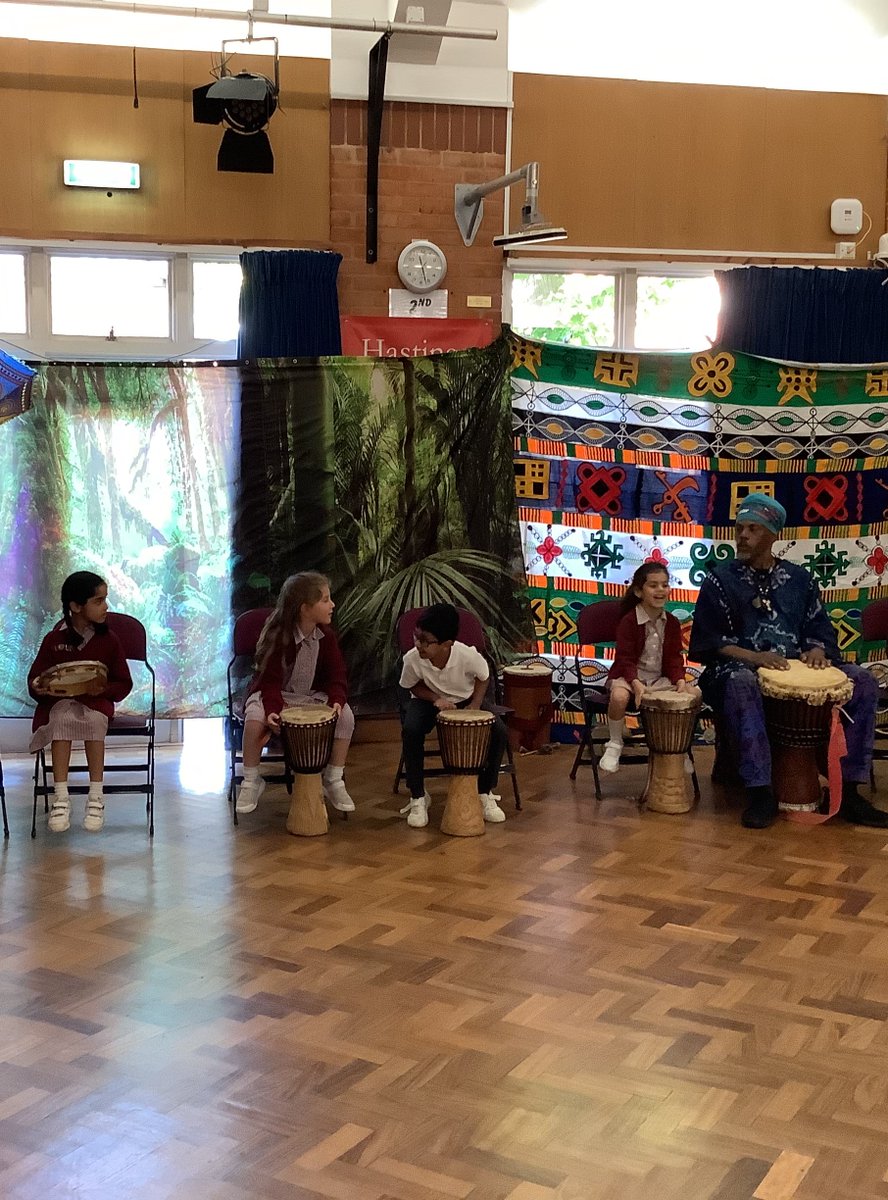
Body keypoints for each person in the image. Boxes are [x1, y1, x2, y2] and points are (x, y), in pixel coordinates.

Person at [689, 493, 885, 829]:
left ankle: (849, 790)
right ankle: (760, 791)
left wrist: (818, 650)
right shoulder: (720, 580)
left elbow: (819, 627)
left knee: (863, 681)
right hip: (734, 669)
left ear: (772, 534)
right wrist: (755, 658)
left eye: (752, 529)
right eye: (740, 529)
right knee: (742, 682)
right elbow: (710, 642)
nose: (743, 536)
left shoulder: (800, 580)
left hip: (795, 665)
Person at [236, 572, 355, 816]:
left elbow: (337, 676)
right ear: (305, 608)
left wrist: (336, 701)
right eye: (325, 600)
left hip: (310, 696)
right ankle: (250, 780)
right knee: (255, 718)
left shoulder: (327, 637)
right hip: (275, 695)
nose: (332, 605)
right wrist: (272, 711)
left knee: (347, 718)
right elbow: (268, 682)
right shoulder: (278, 636)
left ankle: (333, 778)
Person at [28, 571, 132, 833]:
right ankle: (61, 797)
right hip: (61, 703)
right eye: (98, 601)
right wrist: (41, 687)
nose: (105, 607)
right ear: (75, 606)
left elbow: (124, 682)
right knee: (61, 720)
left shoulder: (109, 640)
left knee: (95, 722)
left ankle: (96, 796)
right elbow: (36, 679)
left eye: (105, 600)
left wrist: (103, 688)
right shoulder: (54, 640)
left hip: (95, 704)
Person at [399, 602, 508, 828]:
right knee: (411, 728)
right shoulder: (412, 658)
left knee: (498, 730)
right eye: (416, 637)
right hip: (428, 699)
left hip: (466, 698)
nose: (419, 645)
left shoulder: (467, 656)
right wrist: (435, 699)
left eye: (426, 641)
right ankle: (418, 795)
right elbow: (412, 686)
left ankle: (485, 791)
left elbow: (484, 676)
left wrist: (476, 705)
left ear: (447, 643)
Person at [600, 563, 701, 773]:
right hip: (627, 677)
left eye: (664, 585)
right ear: (639, 591)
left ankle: (678, 749)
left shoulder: (672, 622)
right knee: (619, 697)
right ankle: (615, 743)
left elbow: (674, 658)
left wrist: (680, 680)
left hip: (657, 679)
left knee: (693, 694)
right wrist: (635, 684)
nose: (660, 590)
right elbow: (625, 659)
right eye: (653, 585)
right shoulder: (629, 621)